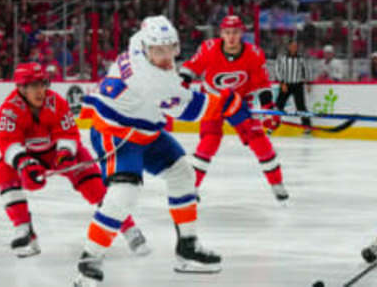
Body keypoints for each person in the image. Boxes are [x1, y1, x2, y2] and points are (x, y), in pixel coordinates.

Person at [73, 15, 250, 286]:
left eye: (171, 48)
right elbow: (193, 110)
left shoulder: (137, 42)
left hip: (144, 127)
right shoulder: (152, 80)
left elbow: (155, 26)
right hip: (117, 133)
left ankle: (187, 247)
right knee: (124, 193)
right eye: (158, 51)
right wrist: (231, 103)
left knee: (182, 173)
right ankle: (89, 261)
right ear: (146, 49)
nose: (167, 57)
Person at [0, 62, 149, 258]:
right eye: (33, 85)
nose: (40, 90)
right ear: (20, 88)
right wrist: (25, 164)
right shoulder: (9, 110)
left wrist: (65, 153)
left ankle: (129, 229)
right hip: (30, 156)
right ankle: (24, 230)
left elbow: (68, 133)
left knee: (95, 189)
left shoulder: (56, 102)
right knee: (2, 172)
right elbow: (7, 143)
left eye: (42, 84)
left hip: (59, 152)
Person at [179, 15, 288, 202]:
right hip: (213, 101)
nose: (231, 37)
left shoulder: (253, 53)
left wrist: (269, 106)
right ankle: (192, 188)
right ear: (221, 33)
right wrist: (182, 85)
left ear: (242, 33)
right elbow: (190, 68)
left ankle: (276, 183)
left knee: (259, 140)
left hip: (239, 103)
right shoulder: (209, 48)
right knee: (209, 141)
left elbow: (262, 84)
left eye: (235, 33)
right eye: (227, 33)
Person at [275, 40, 313, 135]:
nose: (294, 48)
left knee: (301, 106)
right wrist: (282, 83)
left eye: (295, 46)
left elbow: (306, 70)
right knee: (278, 105)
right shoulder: (282, 58)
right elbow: (277, 70)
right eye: (292, 46)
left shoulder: (301, 58)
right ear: (288, 47)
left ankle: (307, 126)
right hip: (286, 84)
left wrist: (308, 83)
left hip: (297, 85)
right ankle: (273, 124)